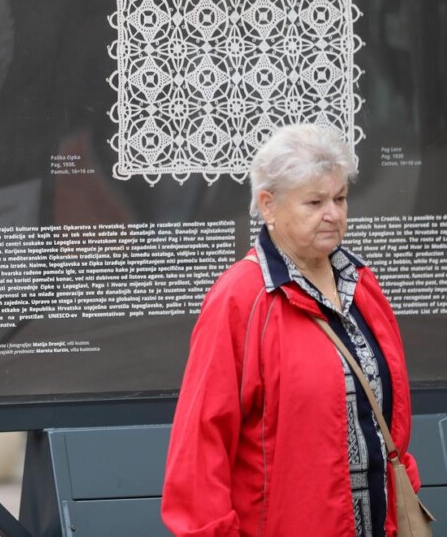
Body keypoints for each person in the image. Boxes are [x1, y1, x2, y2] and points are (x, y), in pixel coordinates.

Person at [162, 124, 421, 537]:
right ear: (268, 205)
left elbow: (391, 418)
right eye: (315, 202)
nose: (333, 214)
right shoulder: (241, 299)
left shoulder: (361, 284)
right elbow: (200, 446)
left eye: (340, 198)